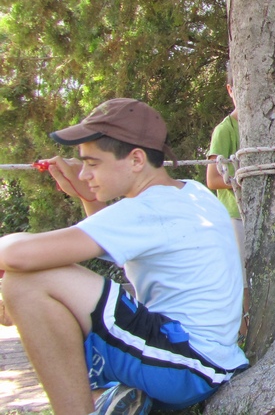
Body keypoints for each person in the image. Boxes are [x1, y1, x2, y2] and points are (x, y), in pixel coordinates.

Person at [0, 98, 248, 414]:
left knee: (27, 283)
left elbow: (18, 256)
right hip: (197, 361)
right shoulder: (189, 193)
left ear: (135, 159)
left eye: (92, 163)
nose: (85, 174)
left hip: (184, 364)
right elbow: (122, 252)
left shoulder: (147, 210)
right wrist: (89, 199)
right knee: (39, 286)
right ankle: (110, 401)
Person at [206, 63, 249, 338]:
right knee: (242, 280)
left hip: (260, 215)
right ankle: (246, 335)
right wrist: (246, 179)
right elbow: (212, 179)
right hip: (235, 217)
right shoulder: (225, 130)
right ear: (231, 90)